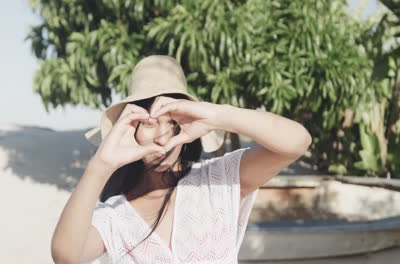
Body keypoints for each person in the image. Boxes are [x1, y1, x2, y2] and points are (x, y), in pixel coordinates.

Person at [50, 55, 312, 264]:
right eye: (150, 123)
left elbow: (297, 142)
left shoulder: (217, 182)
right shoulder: (116, 216)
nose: (163, 137)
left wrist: (216, 116)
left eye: (174, 121)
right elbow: (66, 256)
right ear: (130, 127)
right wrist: (101, 164)